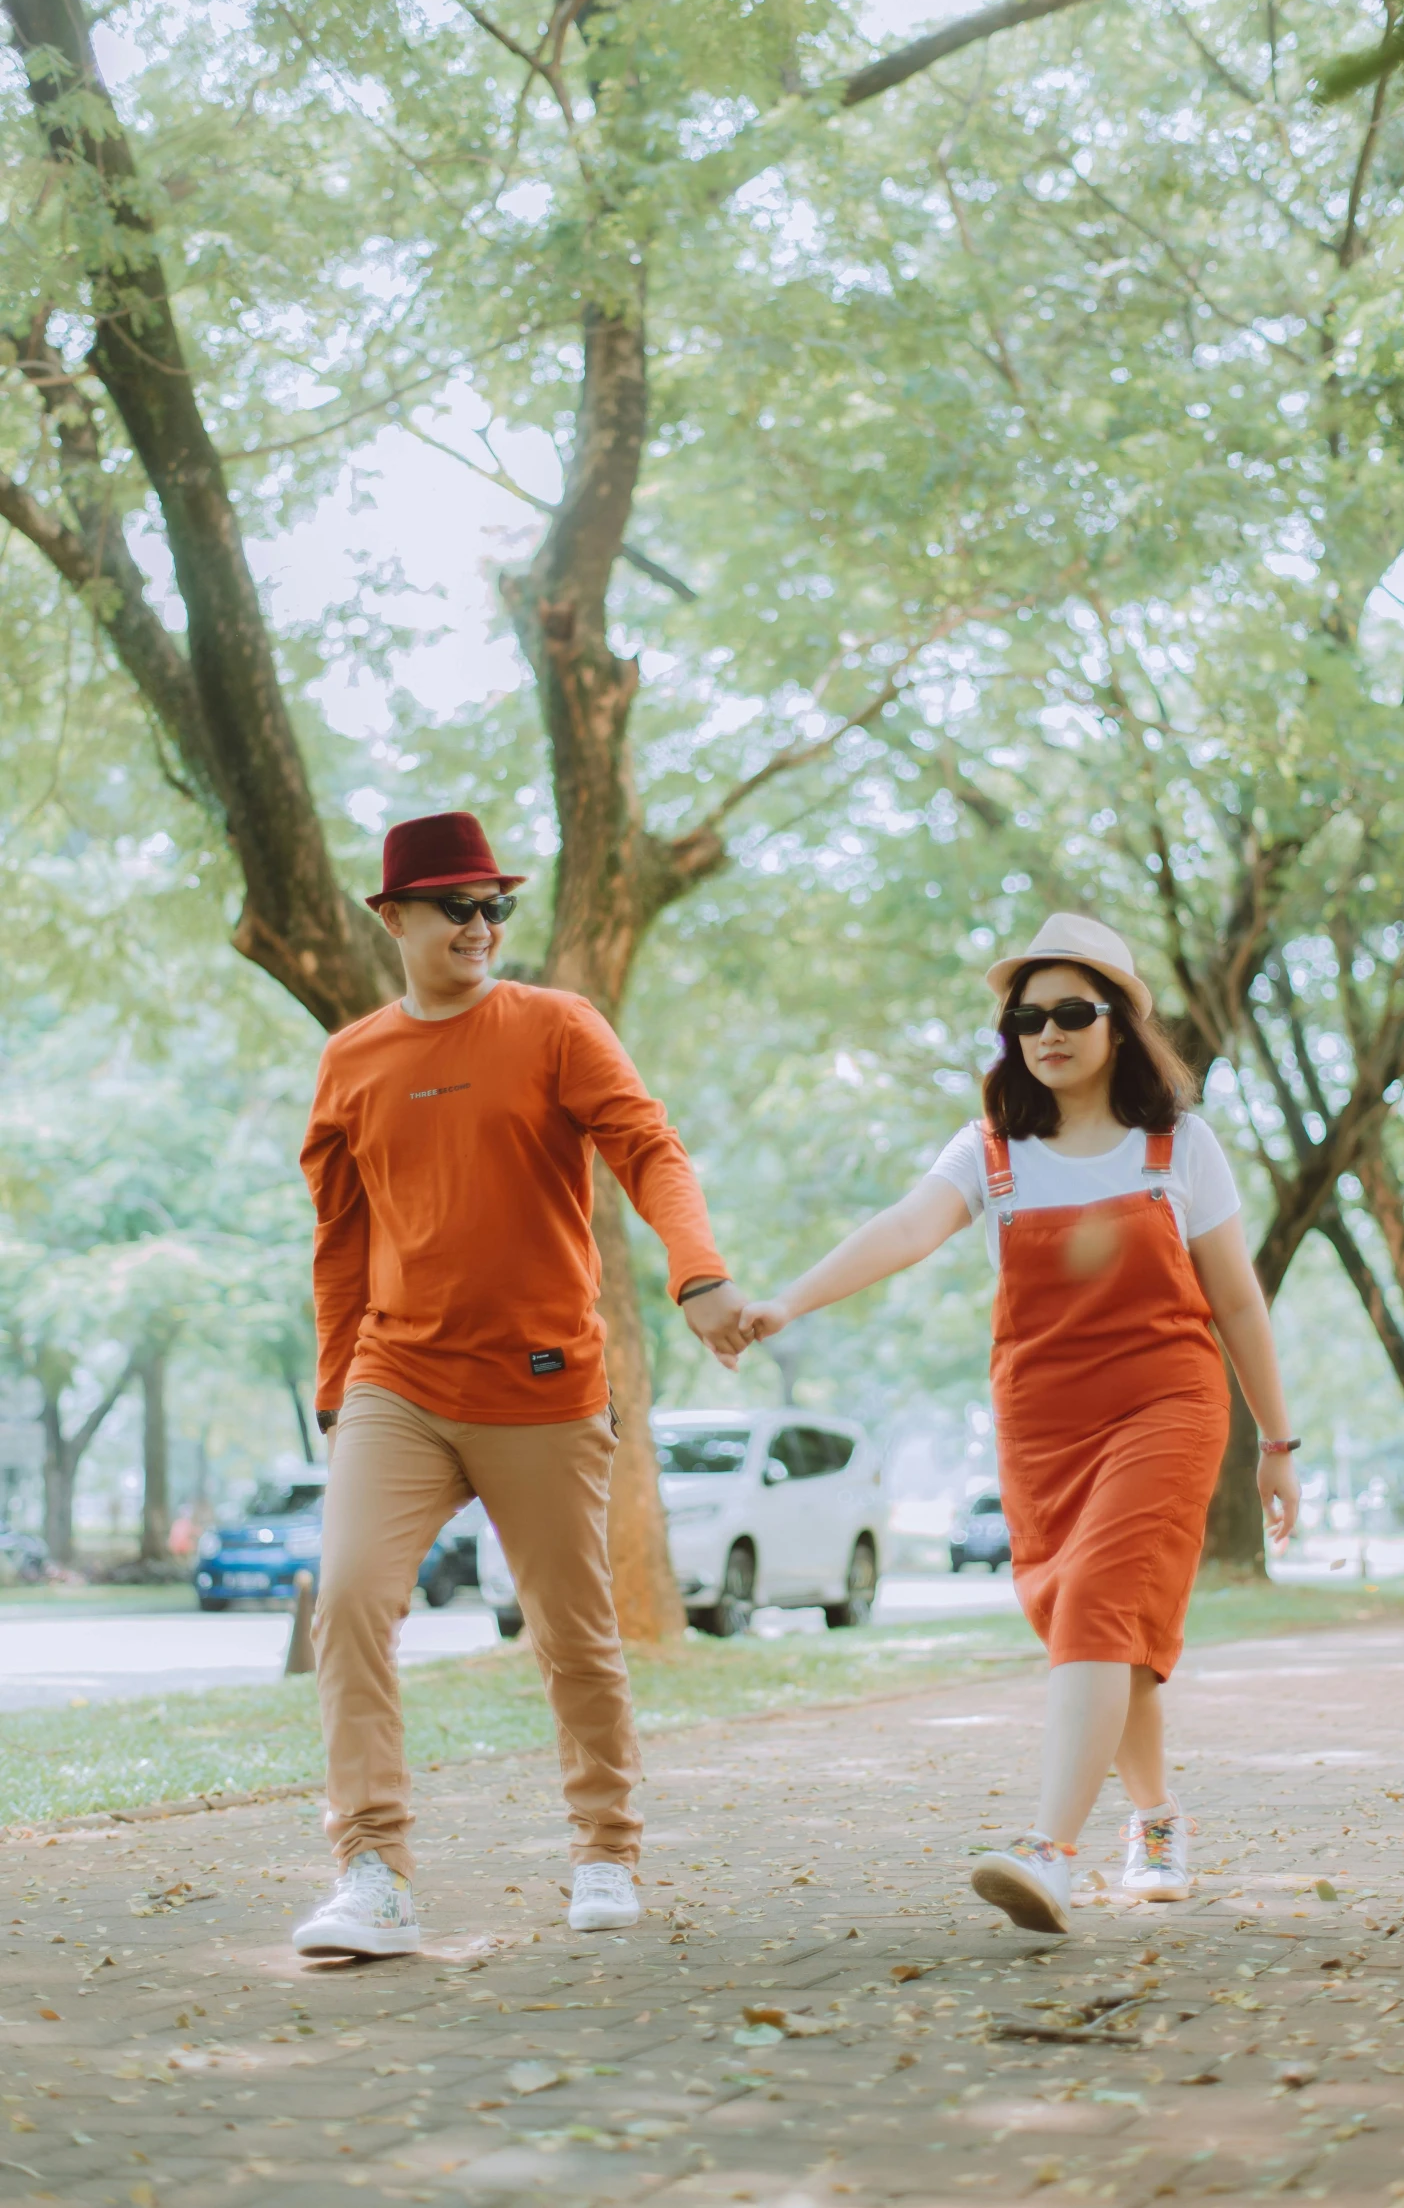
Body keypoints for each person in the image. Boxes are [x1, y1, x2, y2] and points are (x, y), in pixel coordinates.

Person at [742, 912, 1300, 1935]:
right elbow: (905, 1227)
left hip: (1166, 1406)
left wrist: (1275, 1442)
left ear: (1119, 1025)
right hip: (1042, 1424)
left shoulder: (1179, 1143)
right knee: (1094, 1626)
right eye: (1026, 1017)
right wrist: (789, 1301)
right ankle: (1157, 1818)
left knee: (1096, 1604)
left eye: (1072, 1012)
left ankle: (1050, 1851)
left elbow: (1237, 1301)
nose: (1047, 1032)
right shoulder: (991, 1149)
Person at [292, 810, 748, 1958]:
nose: (481, 925)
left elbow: (650, 1148)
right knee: (348, 1597)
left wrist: (698, 1274)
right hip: (396, 1376)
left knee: (574, 1633)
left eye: (495, 905)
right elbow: (339, 1240)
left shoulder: (554, 1027)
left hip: (542, 1382)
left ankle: (605, 1846)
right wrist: (336, 1382)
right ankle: (374, 1871)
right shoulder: (352, 1059)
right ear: (391, 917)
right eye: (456, 906)